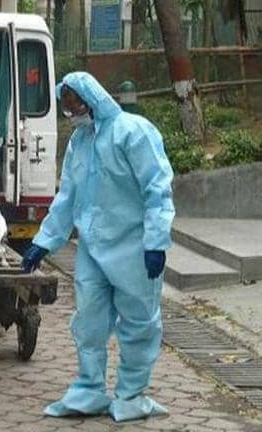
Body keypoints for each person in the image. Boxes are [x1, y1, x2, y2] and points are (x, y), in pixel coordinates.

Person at [21, 72, 174, 422]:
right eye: (66, 105)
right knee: (88, 321)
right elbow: (67, 196)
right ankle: (89, 389)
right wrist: (43, 242)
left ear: (91, 99)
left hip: (134, 247)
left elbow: (157, 188)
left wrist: (156, 241)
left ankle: (131, 395)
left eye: (74, 104)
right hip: (92, 248)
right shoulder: (80, 141)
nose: (70, 112)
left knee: (138, 322)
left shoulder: (133, 132)